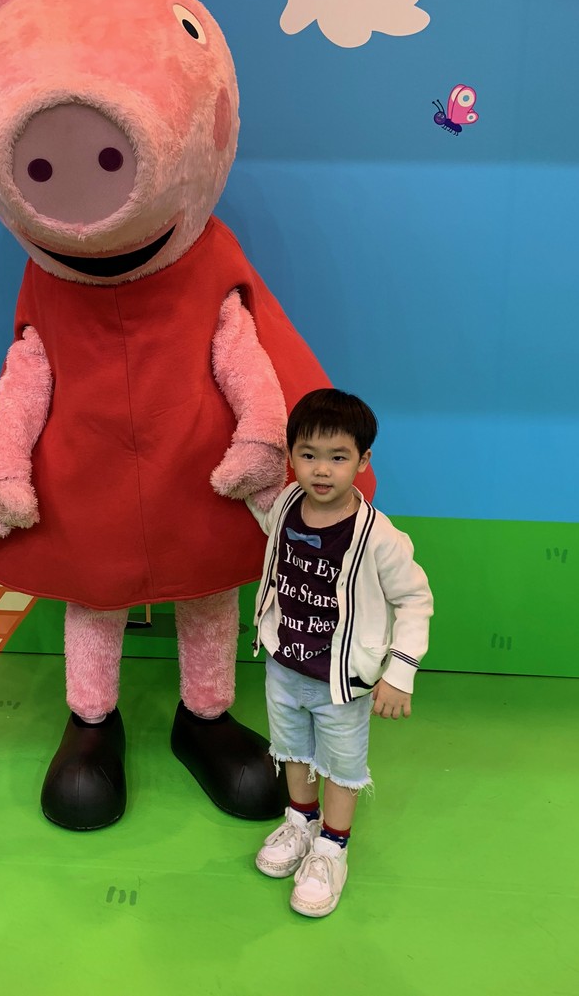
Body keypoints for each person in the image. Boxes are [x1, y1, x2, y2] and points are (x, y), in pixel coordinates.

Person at [247, 389, 433, 916]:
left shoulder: (379, 538)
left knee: (341, 765)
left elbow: (415, 600)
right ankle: (300, 822)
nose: (321, 470)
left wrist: (399, 673)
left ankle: (332, 847)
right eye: (308, 455)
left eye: (338, 457)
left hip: (341, 680)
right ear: (291, 456)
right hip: (285, 665)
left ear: (363, 461)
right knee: (292, 751)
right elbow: (266, 523)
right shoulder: (287, 504)